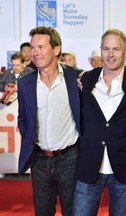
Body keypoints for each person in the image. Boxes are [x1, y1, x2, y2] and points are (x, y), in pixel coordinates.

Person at [72, 29, 126, 216]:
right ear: (100, 50)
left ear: (125, 51)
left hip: (123, 167)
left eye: (116, 49)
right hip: (89, 165)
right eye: (106, 49)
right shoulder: (86, 79)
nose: (110, 55)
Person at [17, 26, 82, 216]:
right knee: (43, 212)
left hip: (70, 159)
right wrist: (30, 140)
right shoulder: (25, 82)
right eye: (32, 48)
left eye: (40, 47)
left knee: (73, 211)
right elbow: (23, 119)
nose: (34, 53)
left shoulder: (75, 77)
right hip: (39, 160)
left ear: (56, 49)